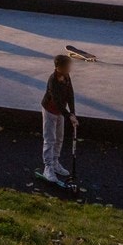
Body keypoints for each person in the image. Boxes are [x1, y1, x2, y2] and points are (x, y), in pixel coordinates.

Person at [39, 54, 78, 183]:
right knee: (50, 139)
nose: (70, 68)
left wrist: (72, 113)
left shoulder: (66, 76)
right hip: (50, 111)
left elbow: (70, 95)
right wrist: (68, 116)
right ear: (58, 67)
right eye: (67, 66)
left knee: (59, 138)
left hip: (60, 113)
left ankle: (55, 162)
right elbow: (56, 101)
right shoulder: (53, 81)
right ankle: (48, 167)